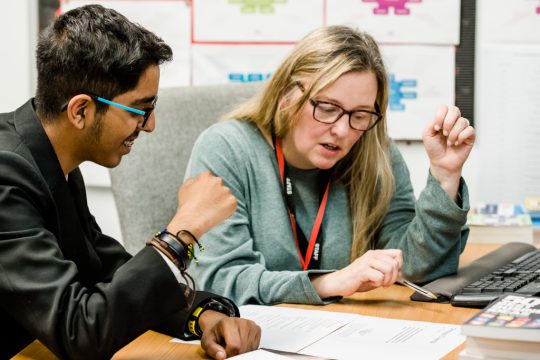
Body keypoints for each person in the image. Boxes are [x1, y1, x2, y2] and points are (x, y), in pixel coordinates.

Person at [0, 5, 260, 359]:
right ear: (80, 111)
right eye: (140, 109)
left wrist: (202, 315)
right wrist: (181, 233)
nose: (149, 125)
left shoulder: (50, 154)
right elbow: (79, 330)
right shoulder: (7, 174)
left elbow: (102, 269)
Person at [185, 25, 476, 305]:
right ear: (287, 94)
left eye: (360, 115)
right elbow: (220, 281)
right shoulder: (227, 149)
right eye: (327, 108)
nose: (342, 130)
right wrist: (328, 283)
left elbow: (413, 266)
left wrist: (445, 176)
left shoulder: (375, 152)